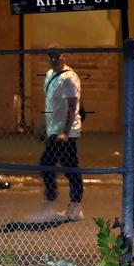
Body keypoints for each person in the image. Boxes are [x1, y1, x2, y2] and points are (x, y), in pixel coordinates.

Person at [33, 44, 84, 222]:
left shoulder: (70, 78)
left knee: (48, 164)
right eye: (51, 56)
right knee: (69, 167)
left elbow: (72, 107)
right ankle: (74, 206)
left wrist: (65, 132)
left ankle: (53, 203)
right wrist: (43, 126)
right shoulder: (49, 75)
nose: (54, 59)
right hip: (54, 129)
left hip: (65, 132)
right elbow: (51, 105)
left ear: (64, 56)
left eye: (57, 56)